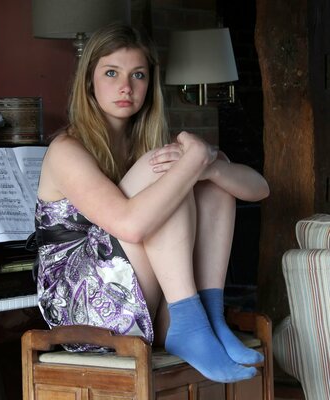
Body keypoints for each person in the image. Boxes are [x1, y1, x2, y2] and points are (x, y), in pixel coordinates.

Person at [33, 22, 270, 384]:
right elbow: (130, 226)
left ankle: (209, 319)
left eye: (138, 75)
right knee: (174, 170)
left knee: (207, 180)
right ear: (89, 82)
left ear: (149, 84)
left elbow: (259, 189)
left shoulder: (148, 146)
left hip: (138, 287)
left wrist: (208, 167)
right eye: (111, 73)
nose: (126, 87)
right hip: (80, 306)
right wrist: (191, 163)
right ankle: (190, 324)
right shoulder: (66, 149)